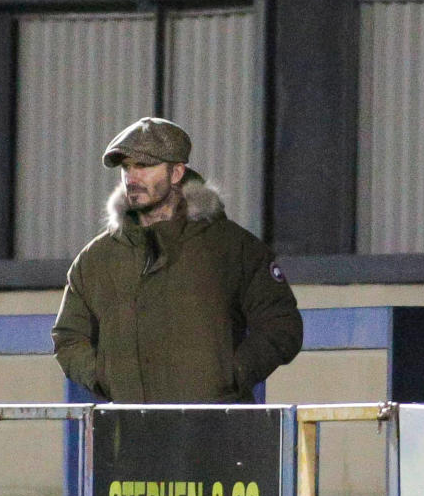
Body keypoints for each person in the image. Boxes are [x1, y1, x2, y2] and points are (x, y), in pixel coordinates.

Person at [52, 117, 302, 403]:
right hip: (129, 435)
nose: (131, 178)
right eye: (126, 167)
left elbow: (282, 325)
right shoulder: (96, 260)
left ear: (176, 173)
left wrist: (231, 375)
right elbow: (69, 338)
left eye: (144, 166)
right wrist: (104, 377)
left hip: (214, 432)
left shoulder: (233, 248)